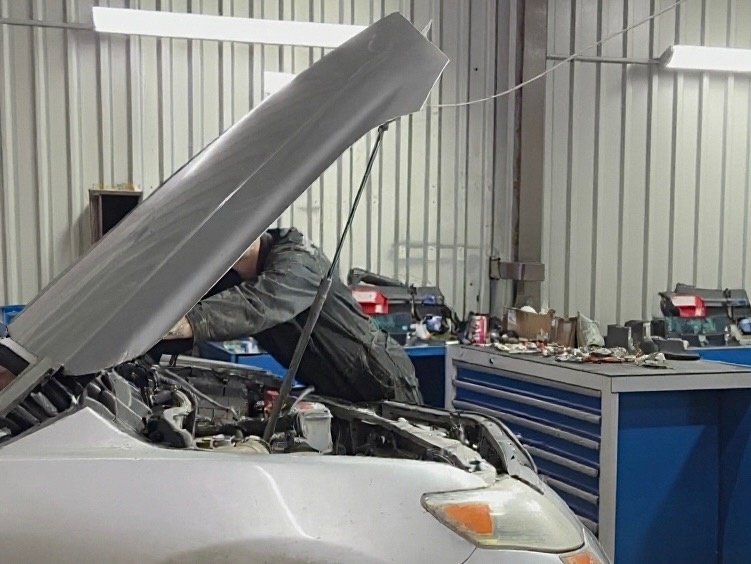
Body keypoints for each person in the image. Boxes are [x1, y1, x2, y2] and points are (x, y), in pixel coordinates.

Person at [163, 227, 422, 404]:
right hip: (330, 389)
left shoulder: (298, 258)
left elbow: (261, 301)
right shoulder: (229, 278)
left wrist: (189, 322)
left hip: (380, 380)